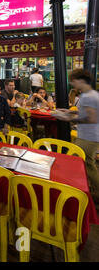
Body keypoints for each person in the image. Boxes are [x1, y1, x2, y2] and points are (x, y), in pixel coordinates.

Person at [55, 70, 99, 202]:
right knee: (89, 165)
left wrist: (67, 119)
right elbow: (86, 113)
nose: (72, 84)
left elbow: (90, 118)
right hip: (90, 136)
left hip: (89, 137)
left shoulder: (88, 96)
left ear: (80, 80)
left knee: (74, 160)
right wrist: (68, 111)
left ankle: (73, 193)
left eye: (73, 81)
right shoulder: (91, 94)